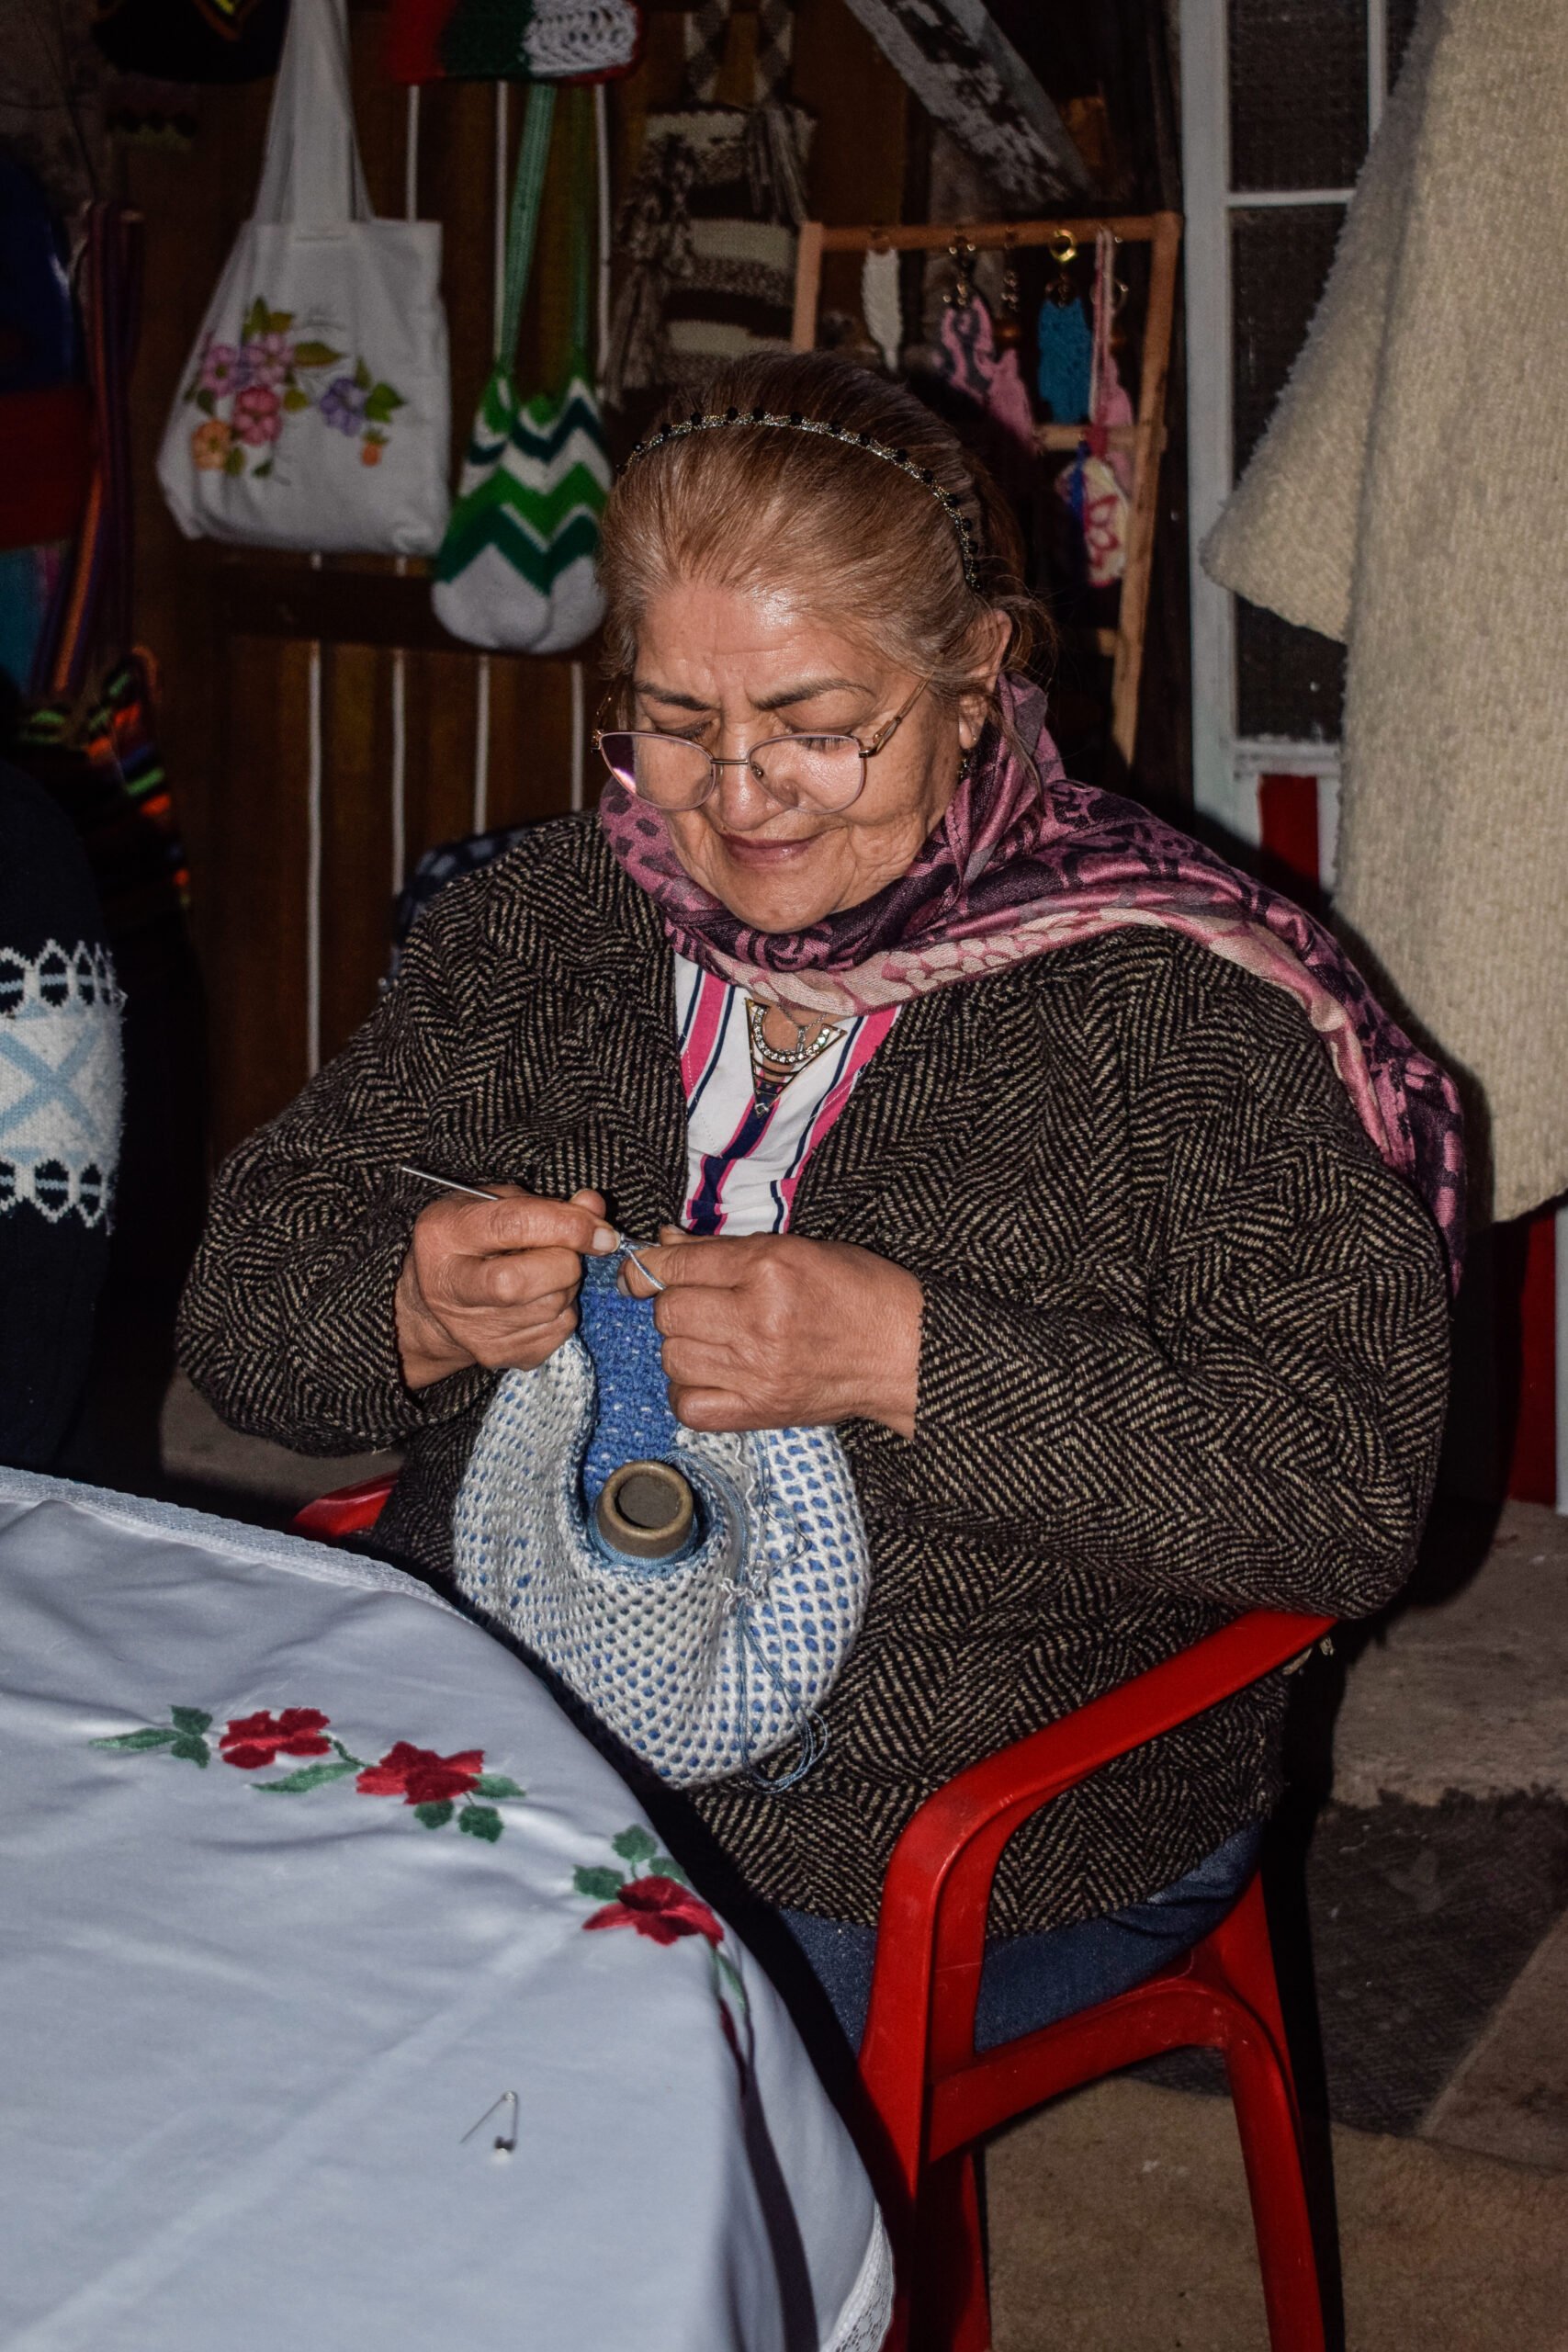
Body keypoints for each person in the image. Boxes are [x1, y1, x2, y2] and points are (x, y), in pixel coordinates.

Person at [178, 352, 1456, 2061]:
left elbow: (1350, 1492)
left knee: (548, 2086)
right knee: (160, 1969)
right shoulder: (541, 931)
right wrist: (403, 1309)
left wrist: (908, 1361)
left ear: (976, 674)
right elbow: (241, 1316)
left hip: (942, 1813)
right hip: (507, 1720)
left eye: (818, 728)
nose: (740, 798)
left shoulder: (1169, 1010)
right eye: (677, 724)